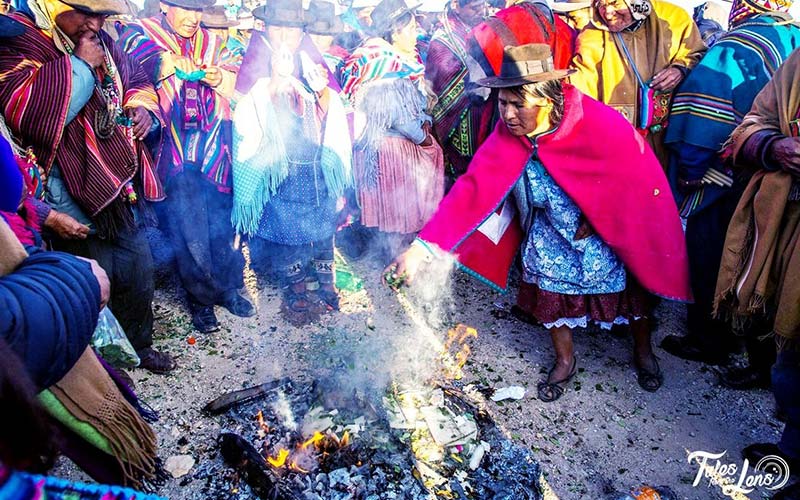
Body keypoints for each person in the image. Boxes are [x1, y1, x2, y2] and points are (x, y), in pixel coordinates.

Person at [388, 44, 691, 401]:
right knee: (548, 286)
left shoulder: (597, 122)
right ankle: (566, 360)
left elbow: (635, 176)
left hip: (604, 225)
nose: (509, 114)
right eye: (503, 104)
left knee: (628, 290)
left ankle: (643, 351)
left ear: (547, 100)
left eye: (519, 105)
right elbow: (471, 191)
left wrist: (602, 218)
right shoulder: (508, 134)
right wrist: (421, 250)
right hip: (550, 224)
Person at [0, 0, 175, 373]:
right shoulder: (21, 40)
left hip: (117, 185)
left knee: (137, 268)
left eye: (102, 15)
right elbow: (27, 111)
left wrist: (141, 108)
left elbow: (135, 79)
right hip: (67, 189)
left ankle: (138, 344)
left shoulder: (101, 40)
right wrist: (79, 64)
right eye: (85, 12)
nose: (95, 23)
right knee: (93, 277)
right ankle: (96, 363)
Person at [662, 0, 800, 387]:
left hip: (728, 175)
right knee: (765, 261)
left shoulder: (733, 46)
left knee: (715, 254)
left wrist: (691, 170)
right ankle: (760, 355)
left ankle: (711, 340)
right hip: (776, 179)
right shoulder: (793, 37)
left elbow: (703, 109)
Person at [119, 0, 254, 334]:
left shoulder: (213, 40)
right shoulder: (142, 33)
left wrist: (220, 75)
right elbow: (130, 60)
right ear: (164, 5)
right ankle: (200, 299)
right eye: (185, 8)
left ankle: (227, 288)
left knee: (223, 221)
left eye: (199, 10)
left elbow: (241, 70)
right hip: (173, 151)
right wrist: (166, 61)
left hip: (215, 147)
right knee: (188, 225)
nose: (194, 18)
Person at [232, 0, 353, 325]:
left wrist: (322, 91)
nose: (286, 34)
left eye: (293, 28)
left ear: (302, 30)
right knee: (288, 228)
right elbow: (243, 107)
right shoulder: (257, 54)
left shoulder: (309, 53)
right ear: (266, 27)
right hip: (279, 165)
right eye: (279, 27)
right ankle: (297, 289)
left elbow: (333, 101)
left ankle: (324, 285)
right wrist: (273, 81)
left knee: (322, 224)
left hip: (314, 159)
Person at [714, 48, 800, 500]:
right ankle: (794, 450)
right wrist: (773, 146)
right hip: (787, 225)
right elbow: (753, 121)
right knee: (790, 354)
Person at [341, 0, 445, 260]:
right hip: (391, 147)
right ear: (394, 32)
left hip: (375, 145)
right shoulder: (386, 62)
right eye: (410, 29)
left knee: (389, 208)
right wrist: (422, 138)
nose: (416, 34)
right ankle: (398, 257)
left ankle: (389, 251)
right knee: (400, 206)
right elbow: (395, 114)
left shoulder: (375, 55)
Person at [569, 0, 706, 169]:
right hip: (617, 142)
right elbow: (582, 88)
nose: (608, 12)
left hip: (664, 139)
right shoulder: (592, 34)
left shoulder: (675, 19)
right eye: (601, 4)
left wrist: (680, 69)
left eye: (614, 2)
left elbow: (696, 54)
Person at [425, 0, 487, 186]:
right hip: (459, 121)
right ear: (455, 5)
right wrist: (479, 80)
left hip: (484, 113)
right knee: (464, 174)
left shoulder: (481, 30)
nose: (481, 11)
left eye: (482, 5)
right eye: (475, 7)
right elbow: (442, 87)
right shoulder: (442, 41)